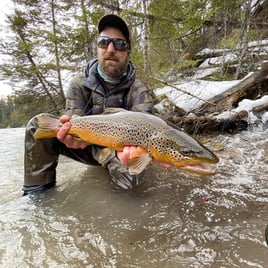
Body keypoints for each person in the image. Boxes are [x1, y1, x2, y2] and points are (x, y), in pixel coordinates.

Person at [23, 14, 155, 195]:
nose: (110, 49)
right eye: (104, 42)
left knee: (130, 184)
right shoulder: (78, 83)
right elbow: (73, 124)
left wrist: (119, 156)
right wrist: (71, 136)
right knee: (36, 126)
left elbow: (146, 136)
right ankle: (36, 196)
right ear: (97, 47)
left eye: (120, 44)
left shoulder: (140, 90)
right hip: (86, 145)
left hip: (120, 152)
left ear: (128, 51)